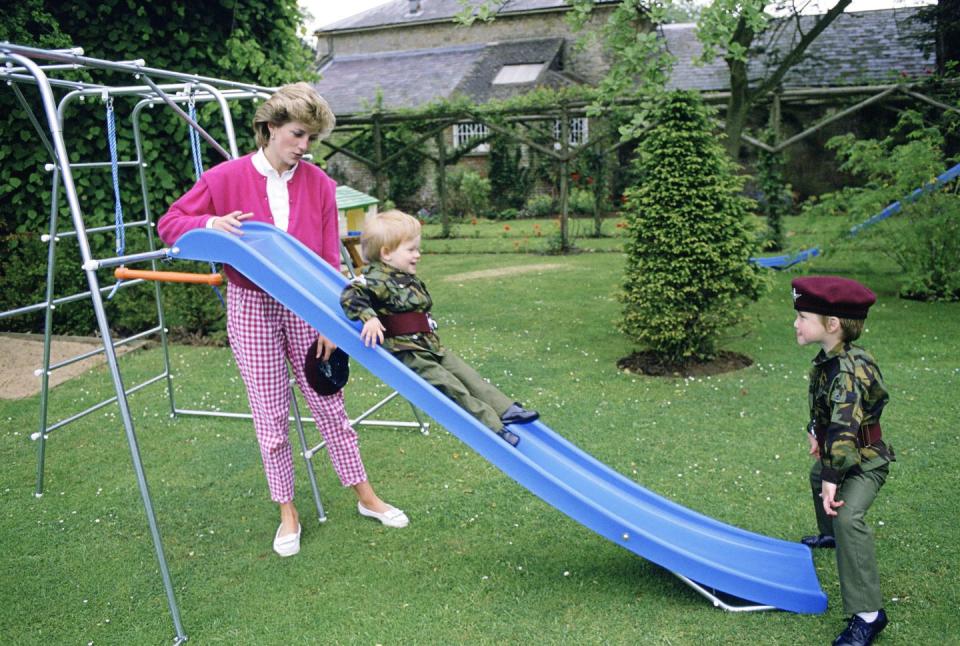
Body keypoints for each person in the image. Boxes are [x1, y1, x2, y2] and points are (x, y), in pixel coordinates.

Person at [158, 82, 407, 559]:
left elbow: (328, 259)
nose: (304, 147)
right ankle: (287, 511)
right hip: (250, 304)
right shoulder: (223, 178)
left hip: (308, 304)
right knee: (270, 414)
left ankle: (366, 496)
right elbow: (171, 224)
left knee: (329, 403)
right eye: (297, 134)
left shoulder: (321, 185)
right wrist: (209, 223)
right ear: (269, 129)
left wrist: (329, 320)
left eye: (311, 138)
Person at [339, 210, 538, 446]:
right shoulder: (376, 279)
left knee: (468, 376)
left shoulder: (403, 276)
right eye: (411, 249)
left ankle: (505, 409)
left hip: (429, 345)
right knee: (450, 385)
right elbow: (351, 293)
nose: (418, 255)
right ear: (386, 253)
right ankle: (492, 426)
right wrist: (369, 318)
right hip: (408, 351)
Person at [791, 276, 895, 646]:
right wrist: (814, 431)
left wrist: (836, 474)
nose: (796, 323)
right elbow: (827, 410)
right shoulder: (831, 359)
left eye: (803, 316)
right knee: (818, 476)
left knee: (848, 515)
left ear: (831, 325)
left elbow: (847, 429)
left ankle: (869, 615)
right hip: (843, 447)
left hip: (867, 461)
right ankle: (831, 536)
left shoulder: (848, 372)